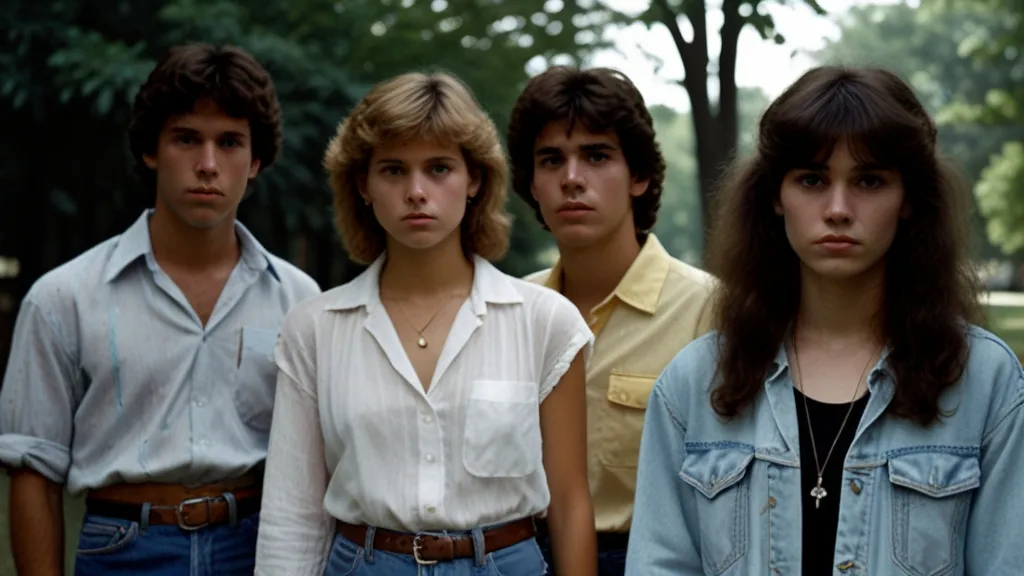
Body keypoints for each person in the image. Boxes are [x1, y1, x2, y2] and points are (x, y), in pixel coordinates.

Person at [625, 65, 1024, 575]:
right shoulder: (694, 383)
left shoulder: (987, 381)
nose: (838, 209)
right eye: (812, 179)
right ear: (775, 195)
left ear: (908, 200)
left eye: (870, 180)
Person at [253, 71, 597, 575]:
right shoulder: (315, 329)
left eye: (439, 168)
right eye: (393, 170)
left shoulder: (545, 322)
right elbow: (293, 516)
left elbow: (569, 504)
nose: (417, 191)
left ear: (474, 179)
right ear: (363, 185)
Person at [0, 43, 321, 575]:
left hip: (259, 547)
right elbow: (33, 467)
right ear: (151, 150)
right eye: (186, 139)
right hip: (122, 548)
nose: (208, 164)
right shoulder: (64, 297)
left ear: (256, 160)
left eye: (231, 142)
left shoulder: (300, 301)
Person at [505, 66, 714, 575]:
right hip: (517, 554)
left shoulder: (708, 310)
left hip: (653, 558)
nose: (572, 178)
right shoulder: (510, 309)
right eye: (551, 160)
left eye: (597, 156)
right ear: (531, 183)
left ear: (639, 176)